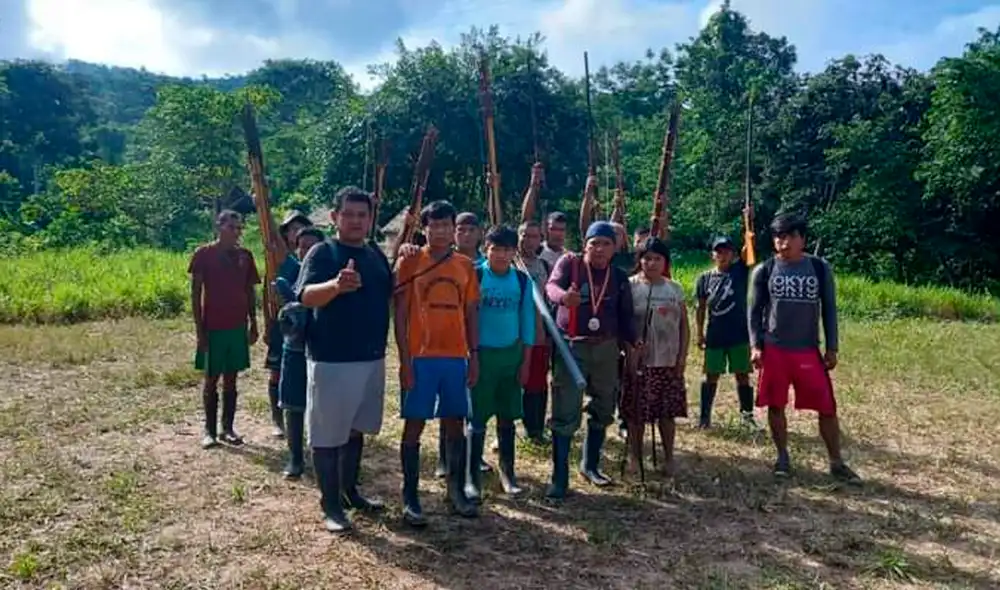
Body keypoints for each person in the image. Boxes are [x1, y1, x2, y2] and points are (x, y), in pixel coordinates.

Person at [296, 187, 393, 533]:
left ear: (370, 219)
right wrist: (336, 285)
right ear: (335, 217)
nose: (355, 220)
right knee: (327, 436)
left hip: (371, 358)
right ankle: (331, 505)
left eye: (362, 215)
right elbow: (305, 296)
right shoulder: (323, 253)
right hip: (332, 359)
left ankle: (350, 492)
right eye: (348, 214)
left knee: (355, 429)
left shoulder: (376, 256)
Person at [748, 212, 861, 484]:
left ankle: (836, 461)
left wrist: (832, 347)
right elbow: (753, 311)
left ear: (802, 239)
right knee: (775, 405)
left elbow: (829, 310)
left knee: (827, 407)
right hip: (775, 349)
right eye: (777, 237)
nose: (782, 243)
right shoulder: (764, 270)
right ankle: (782, 457)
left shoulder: (820, 268)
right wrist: (755, 346)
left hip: (807, 350)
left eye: (788, 237)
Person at [395, 200, 480, 526]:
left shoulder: (465, 265)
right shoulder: (411, 261)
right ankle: (411, 496)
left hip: (456, 356)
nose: (441, 231)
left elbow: (471, 312)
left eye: (447, 224)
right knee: (414, 422)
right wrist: (404, 360)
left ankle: (455, 490)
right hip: (421, 356)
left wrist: (474, 356)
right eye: (435, 225)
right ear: (424, 228)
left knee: (455, 421)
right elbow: (400, 312)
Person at [545, 221, 637, 498]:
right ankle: (559, 478)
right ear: (585, 244)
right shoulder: (570, 264)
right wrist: (564, 298)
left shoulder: (618, 277)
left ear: (615, 247)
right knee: (565, 410)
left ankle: (591, 465)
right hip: (572, 347)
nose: (599, 249)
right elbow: (551, 287)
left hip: (607, 349)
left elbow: (626, 315)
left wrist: (633, 343)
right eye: (594, 243)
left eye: (605, 244)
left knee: (604, 406)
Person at [464, 225, 535, 501]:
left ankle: (508, 473)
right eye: (496, 249)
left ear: (513, 252)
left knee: (507, 416)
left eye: (507, 250)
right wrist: (471, 356)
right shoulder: (476, 275)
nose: (502, 255)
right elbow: (466, 318)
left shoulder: (521, 280)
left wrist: (526, 361)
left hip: (511, 356)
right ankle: (472, 477)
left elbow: (528, 322)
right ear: (486, 249)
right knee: (477, 416)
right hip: (482, 355)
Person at [189, 210, 260, 449]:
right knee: (211, 379)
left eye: (239, 228)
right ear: (219, 227)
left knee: (232, 379)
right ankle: (208, 431)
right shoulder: (204, 254)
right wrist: (200, 331)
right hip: (213, 327)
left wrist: (254, 323)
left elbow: (250, 291)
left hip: (237, 327)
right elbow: (196, 293)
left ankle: (227, 428)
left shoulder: (245, 256)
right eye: (232, 227)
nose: (237, 232)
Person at [621, 237, 688, 477]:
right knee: (637, 413)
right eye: (647, 258)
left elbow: (684, 327)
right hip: (640, 362)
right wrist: (630, 354)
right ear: (639, 260)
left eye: (657, 258)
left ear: (665, 262)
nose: (651, 263)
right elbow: (625, 324)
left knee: (667, 414)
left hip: (668, 361)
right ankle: (635, 456)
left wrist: (681, 357)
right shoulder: (630, 287)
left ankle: (669, 457)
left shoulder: (674, 288)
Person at [273, 226, 324, 479]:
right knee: (293, 404)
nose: (306, 251)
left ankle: (320, 454)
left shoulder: (329, 274)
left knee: (323, 406)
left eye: (312, 246)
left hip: (324, 350)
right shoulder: (291, 271)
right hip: (294, 350)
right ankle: (295, 458)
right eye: (302, 246)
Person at [695, 236, 760, 430]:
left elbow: (749, 246)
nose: (722, 255)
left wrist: (748, 221)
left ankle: (747, 417)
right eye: (719, 251)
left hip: (739, 335)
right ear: (713, 254)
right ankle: (705, 418)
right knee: (711, 375)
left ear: (733, 254)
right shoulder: (704, 278)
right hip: (715, 334)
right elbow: (700, 307)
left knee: (742, 375)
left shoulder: (740, 272)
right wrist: (699, 333)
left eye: (727, 251)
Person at [264, 210, 313, 438]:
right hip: (282, 324)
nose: (297, 233)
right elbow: (272, 236)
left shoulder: (312, 260)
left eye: (301, 228)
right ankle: (277, 420)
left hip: (306, 326)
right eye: (292, 229)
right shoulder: (282, 259)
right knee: (276, 373)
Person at [517, 219, 552, 445]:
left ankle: (536, 429)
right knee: (515, 381)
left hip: (540, 330)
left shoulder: (544, 266)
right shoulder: (510, 263)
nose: (529, 240)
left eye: (534, 236)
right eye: (525, 235)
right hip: (514, 332)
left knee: (538, 382)